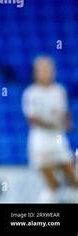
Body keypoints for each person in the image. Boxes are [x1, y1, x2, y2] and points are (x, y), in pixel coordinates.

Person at [22, 56, 77, 202]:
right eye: (42, 70)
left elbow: (65, 113)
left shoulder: (59, 91)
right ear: (36, 73)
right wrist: (54, 124)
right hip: (40, 141)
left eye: (49, 69)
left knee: (75, 180)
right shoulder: (31, 93)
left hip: (58, 139)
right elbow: (32, 119)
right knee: (52, 185)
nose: (46, 73)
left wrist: (67, 123)